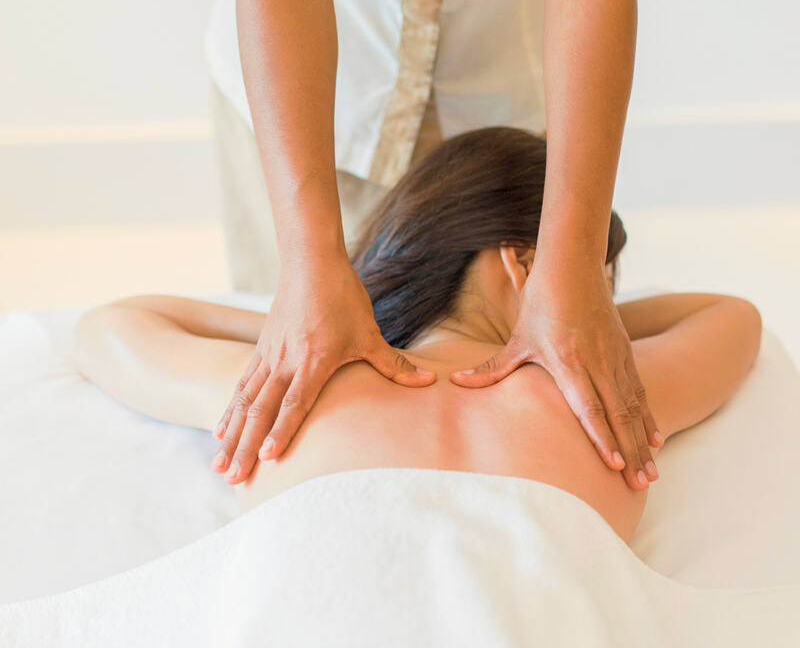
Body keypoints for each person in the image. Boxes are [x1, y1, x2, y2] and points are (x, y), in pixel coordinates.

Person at [185, 0, 687, 490]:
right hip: (310, 95)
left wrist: (573, 269)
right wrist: (304, 264)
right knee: (293, 351)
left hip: (504, 95)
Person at [74, 128, 761, 545]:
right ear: (523, 263)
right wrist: (583, 322)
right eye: (598, 289)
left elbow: (110, 327)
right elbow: (732, 316)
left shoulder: (297, 390)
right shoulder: (600, 401)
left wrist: (305, 332)